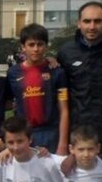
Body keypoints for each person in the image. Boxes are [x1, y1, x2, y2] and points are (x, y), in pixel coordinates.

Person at [57, 1, 102, 152]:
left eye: (97, 21)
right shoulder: (66, 52)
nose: (92, 26)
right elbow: (60, 91)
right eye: (87, 21)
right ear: (79, 23)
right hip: (80, 134)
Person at [7, 24, 69, 154]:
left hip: (51, 133)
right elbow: (8, 103)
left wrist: (62, 143)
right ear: (23, 47)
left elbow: (64, 109)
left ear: (46, 46)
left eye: (40, 44)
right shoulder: (13, 73)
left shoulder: (57, 72)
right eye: (31, 45)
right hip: (23, 134)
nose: (36, 49)